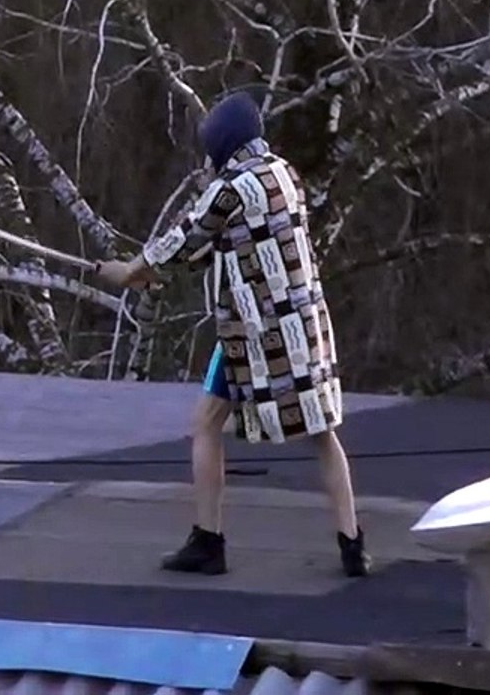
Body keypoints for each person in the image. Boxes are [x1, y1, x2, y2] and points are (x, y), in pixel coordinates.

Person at [93, 91, 371, 578]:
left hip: (256, 336)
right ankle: (353, 546)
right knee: (322, 432)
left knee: (205, 424)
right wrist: (157, 271)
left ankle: (208, 541)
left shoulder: (233, 188)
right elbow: (230, 241)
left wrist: (129, 270)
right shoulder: (284, 173)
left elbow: (186, 237)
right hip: (304, 325)